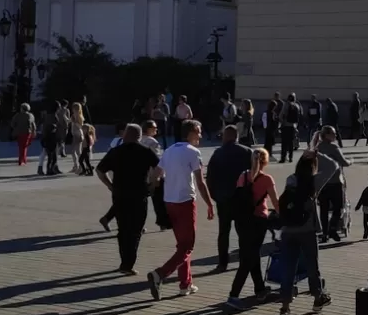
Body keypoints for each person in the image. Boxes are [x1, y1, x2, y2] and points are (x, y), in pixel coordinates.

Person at [148, 118, 214, 299]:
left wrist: (158, 189)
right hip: (185, 202)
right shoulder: (193, 152)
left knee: (182, 246)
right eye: (199, 131)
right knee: (187, 246)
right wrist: (209, 203)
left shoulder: (169, 151)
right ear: (191, 133)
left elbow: (156, 175)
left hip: (170, 202)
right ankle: (159, 274)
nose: (200, 135)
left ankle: (185, 284)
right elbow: (200, 182)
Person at [96, 124, 160, 276]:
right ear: (139, 136)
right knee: (136, 230)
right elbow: (159, 168)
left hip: (119, 194)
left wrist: (110, 186)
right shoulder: (145, 151)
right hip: (139, 195)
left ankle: (124, 262)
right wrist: (153, 183)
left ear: (125, 136)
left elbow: (99, 170)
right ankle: (129, 263)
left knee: (123, 229)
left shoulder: (115, 151)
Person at [274, 152, 331, 315]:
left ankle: (284, 309)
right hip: (307, 230)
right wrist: (319, 153)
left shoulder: (291, 179)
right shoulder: (314, 181)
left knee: (288, 269)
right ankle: (317, 299)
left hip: (289, 230)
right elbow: (334, 167)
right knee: (312, 266)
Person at [226, 148, 278, 306]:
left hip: (241, 221)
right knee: (248, 259)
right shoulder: (267, 179)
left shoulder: (243, 176)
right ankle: (233, 295)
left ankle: (260, 289)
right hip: (258, 221)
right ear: (265, 162)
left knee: (252, 255)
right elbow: (276, 202)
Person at [207, 125, 253, 272]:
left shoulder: (217, 153)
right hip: (242, 199)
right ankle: (245, 260)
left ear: (225, 137)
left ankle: (222, 263)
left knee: (223, 232)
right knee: (243, 232)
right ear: (237, 137)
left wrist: (214, 195)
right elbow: (254, 176)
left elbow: (210, 177)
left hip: (223, 199)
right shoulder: (247, 152)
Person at [315, 126, 349, 240]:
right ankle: (332, 228)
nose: (335, 136)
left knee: (324, 209)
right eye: (333, 134)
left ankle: (324, 233)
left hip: (322, 182)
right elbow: (343, 162)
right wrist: (351, 161)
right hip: (335, 181)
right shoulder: (334, 147)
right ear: (327, 135)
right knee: (337, 207)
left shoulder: (317, 147)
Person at [280, 92, 301, 164]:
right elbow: (299, 116)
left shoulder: (286, 105)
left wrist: (281, 122)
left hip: (286, 125)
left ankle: (283, 158)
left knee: (284, 143)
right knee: (291, 142)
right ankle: (290, 157)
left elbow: (282, 115)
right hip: (293, 126)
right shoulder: (297, 105)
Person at [39, 108, 62, 176]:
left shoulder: (47, 118)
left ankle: (50, 169)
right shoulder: (53, 117)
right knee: (52, 158)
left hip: (50, 145)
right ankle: (50, 169)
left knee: (51, 158)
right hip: (52, 145)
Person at [13, 101, 36, 167]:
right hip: (27, 132)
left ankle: (21, 160)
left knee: (21, 147)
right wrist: (34, 131)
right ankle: (23, 160)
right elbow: (33, 124)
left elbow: (12, 123)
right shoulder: (30, 115)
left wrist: (16, 127)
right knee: (25, 146)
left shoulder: (17, 115)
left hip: (19, 133)